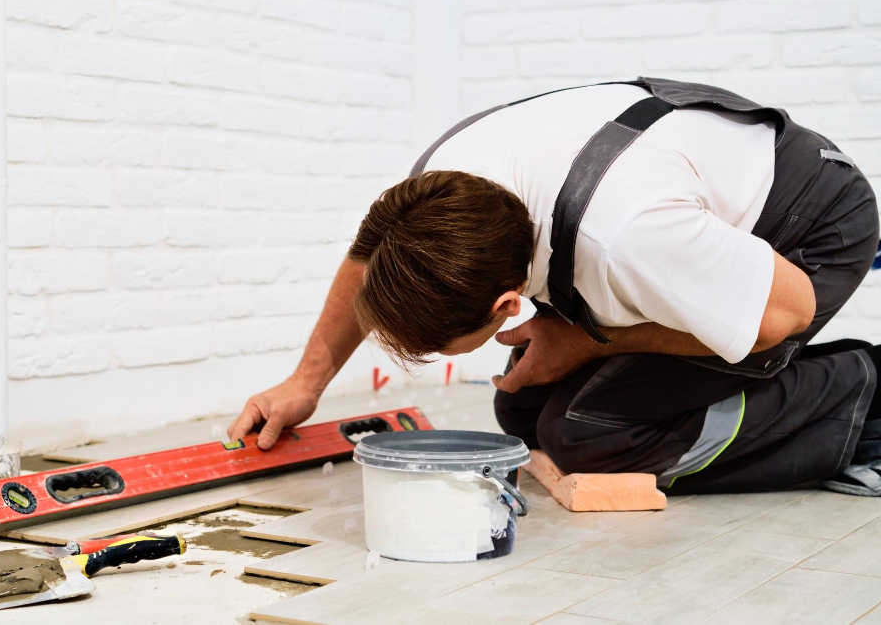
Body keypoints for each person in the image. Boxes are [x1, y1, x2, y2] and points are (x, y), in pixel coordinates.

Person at [228, 77, 881, 496]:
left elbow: (785, 313)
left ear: (508, 304)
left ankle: (859, 397)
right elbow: (368, 260)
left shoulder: (627, 237)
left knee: (592, 440)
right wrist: (304, 382)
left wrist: (588, 341)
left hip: (798, 233)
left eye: (461, 342)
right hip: (673, 206)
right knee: (520, 414)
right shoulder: (432, 192)